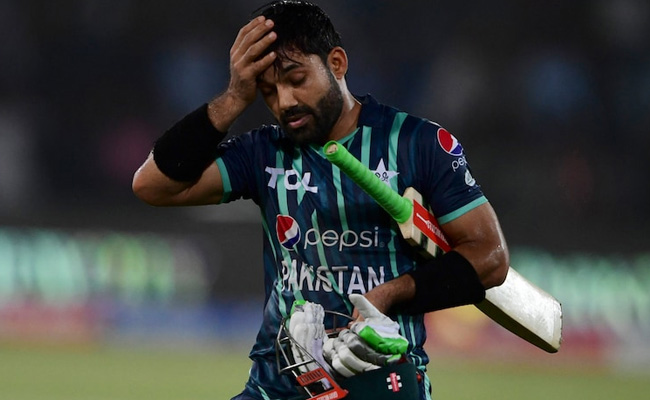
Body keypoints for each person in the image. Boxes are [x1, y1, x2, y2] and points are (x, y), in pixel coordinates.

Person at [132, 1, 509, 399]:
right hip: (277, 387)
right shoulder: (264, 152)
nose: (285, 101)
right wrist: (234, 98)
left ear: (337, 63)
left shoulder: (417, 143)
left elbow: (489, 257)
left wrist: (388, 295)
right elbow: (153, 185)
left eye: (296, 79)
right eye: (268, 91)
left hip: (382, 382)